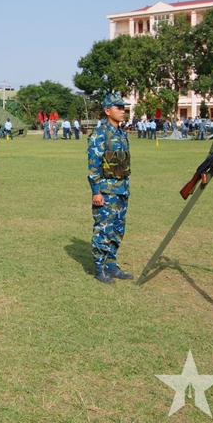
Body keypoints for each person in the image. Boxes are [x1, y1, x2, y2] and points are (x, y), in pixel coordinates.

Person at [88, 92, 132, 284]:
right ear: (107, 111)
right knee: (103, 229)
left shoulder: (121, 133)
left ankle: (111, 264)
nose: (123, 111)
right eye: (118, 107)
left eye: (123, 107)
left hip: (121, 189)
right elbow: (93, 165)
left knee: (117, 228)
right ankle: (99, 267)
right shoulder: (100, 134)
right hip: (106, 191)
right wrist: (96, 191)